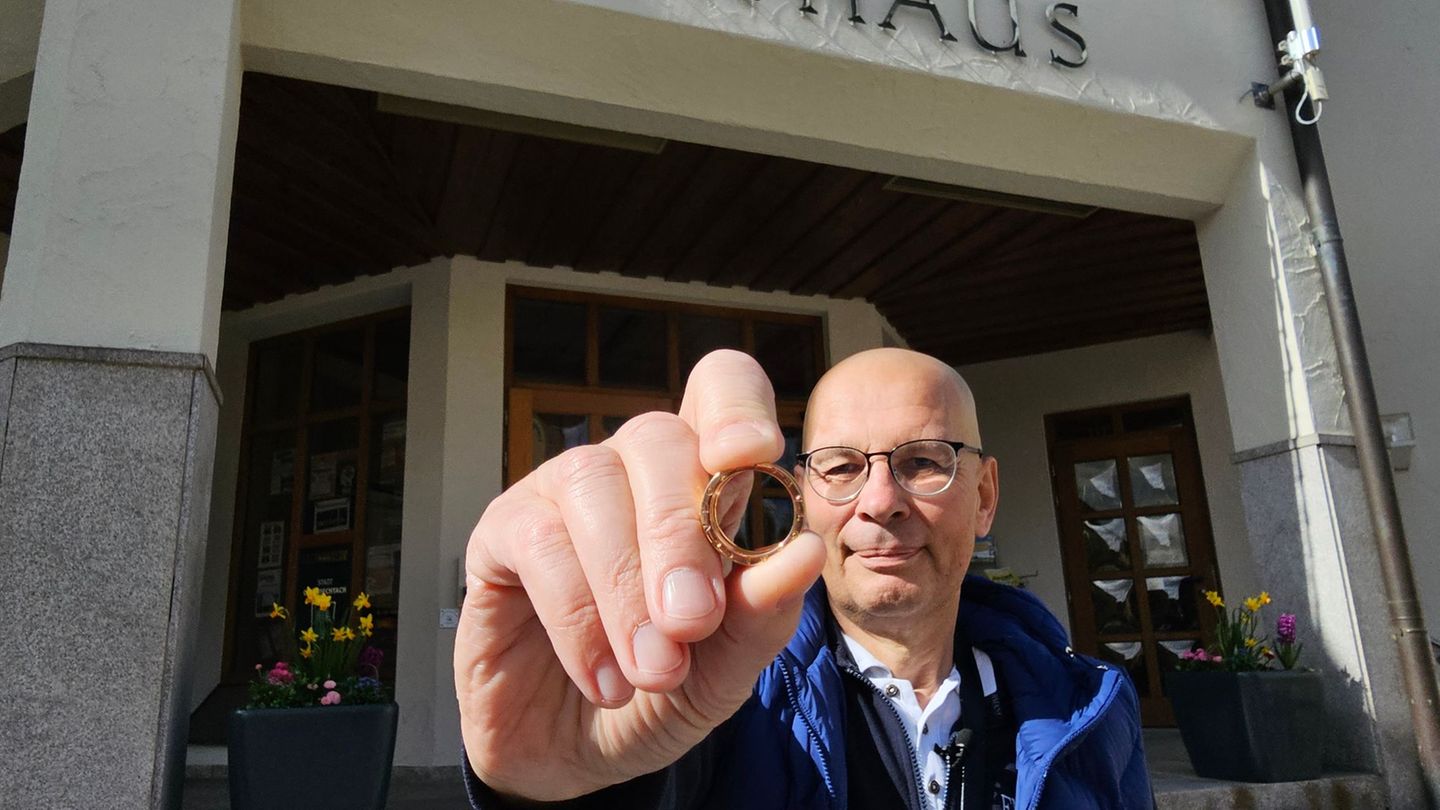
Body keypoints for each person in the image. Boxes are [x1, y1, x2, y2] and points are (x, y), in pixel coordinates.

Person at [456, 348, 1152, 809]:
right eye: (843, 467)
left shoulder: (1093, 706)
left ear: (986, 495)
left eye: (924, 460)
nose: (880, 501)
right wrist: (554, 790)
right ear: (801, 496)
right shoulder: (718, 707)